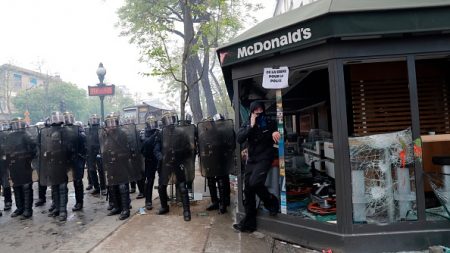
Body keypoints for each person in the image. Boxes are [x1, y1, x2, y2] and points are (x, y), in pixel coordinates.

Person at [233, 101, 281, 233]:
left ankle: (271, 201)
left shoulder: (269, 122)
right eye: (256, 110)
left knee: (255, 183)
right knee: (248, 190)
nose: (259, 112)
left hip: (265, 157)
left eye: (261, 110)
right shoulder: (248, 123)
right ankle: (249, 224)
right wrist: (251, 125)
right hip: (252, 159)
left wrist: (276, 133)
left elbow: (281, 131)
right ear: (252, 111)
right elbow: (239, 139)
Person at [158, 112, 194, 221]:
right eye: (166, 120)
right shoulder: (161, 134)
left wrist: (178, 153)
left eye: (171, 119)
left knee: (183, 188)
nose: (169, 123)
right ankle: (164, 206)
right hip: (166, 163)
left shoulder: (181, 132)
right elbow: (157, 148)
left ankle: (186, 211)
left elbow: (188, 149)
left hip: (178, 162)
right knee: (161, 187)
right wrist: (161, 157)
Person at [198, 113, 235, 214]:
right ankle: (215, 202)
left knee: (221, 181)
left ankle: (223, 204)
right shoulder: (202, 134)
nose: (206, 125)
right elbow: (201, 147)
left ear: (212, 123)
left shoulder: (220, 132)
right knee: (210, 181)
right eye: (205, 124)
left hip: (220, 160)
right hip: (209, 161)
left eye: (208, 123)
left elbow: (227, 145)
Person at [2, 118, 37, 219]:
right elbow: (6, 149)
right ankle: (20, 207)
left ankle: (28, 210)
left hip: (24, 164)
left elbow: (34, 147)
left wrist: (28, 157)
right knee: (16, 186)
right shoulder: (9, 136)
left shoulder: (26, 135)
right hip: (14, 164)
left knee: (26, 187)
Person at [140, 115, 162, 210]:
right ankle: (148, 201)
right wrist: (154, 135)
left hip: (158, 159)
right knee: (149, 181)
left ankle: (163, 196)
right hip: (149, 160)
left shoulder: (159, 132)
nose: (152, 125)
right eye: (150, 123)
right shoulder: (143, 133)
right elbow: (146, 144)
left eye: (154, 122)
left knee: (162, 179)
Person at [85, 114, 106, 196]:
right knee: (92, 170)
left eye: (95, 119)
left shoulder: (101, 129)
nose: (93, 121)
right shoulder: (87, 130)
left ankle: (103, 187)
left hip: (99, 152)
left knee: (101, 170)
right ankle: (96, 187)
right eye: (92, 119)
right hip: (90, 153)